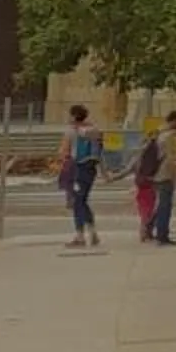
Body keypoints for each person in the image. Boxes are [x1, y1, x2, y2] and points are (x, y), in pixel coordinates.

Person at [59, 102, 103, 250]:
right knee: (83, 200)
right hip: (90, 169)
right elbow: (100, 151)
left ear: (73, 116)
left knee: (78, 202)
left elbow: (64, 152)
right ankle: (92, 231)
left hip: (77, 168)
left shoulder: (71, 132)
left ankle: (80, 236)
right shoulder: (94, 130)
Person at [134, 119, 176, 245]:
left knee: (159, 206)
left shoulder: (152, 144)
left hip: (151, 180)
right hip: (161, 178)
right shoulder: (166, 140)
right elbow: (169, 160)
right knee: (163, 205)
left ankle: (148, 228)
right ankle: (159, 234)